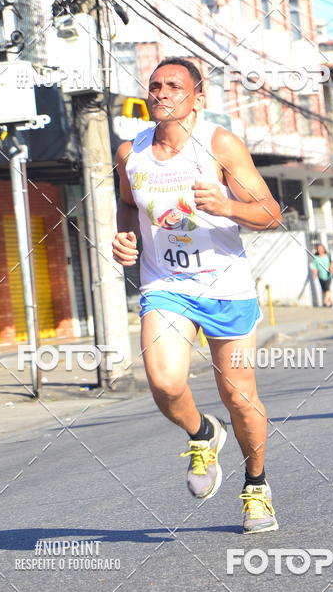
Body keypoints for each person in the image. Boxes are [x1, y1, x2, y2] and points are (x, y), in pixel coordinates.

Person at [112, 57, 282, 533]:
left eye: (174, 86)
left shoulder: (219, 144)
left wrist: (227, 206)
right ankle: (202, 433)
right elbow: (127, 204)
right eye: (155, 86)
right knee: (165, 383)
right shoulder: (131, 152)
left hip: (226, 286)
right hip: (166, 285)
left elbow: (270, 213)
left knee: (239, 397)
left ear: (198, 98)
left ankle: (256, 487)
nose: (162, 93)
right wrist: (126, 236)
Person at [310, 243, 333, 307]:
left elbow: (332, 263)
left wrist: (332, 270)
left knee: (327, 288)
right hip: (320, 276)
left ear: (324, 249)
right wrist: (315, 274)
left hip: (328, 275)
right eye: (318, 249)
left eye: (321, 249)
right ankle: (332, 303)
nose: (320, 250)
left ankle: (325, 302)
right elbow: (314, 267)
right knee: (324, 290)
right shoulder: (316, 258)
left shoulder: (327, 256)